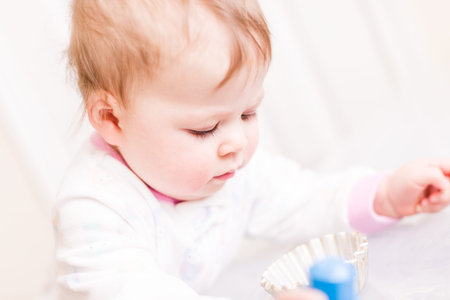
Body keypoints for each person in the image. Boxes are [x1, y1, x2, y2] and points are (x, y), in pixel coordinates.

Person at [54, 0, 450, 299]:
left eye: (247, 113)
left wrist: (384, 196)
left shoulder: (230, 169)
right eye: (204, 128)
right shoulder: (94, 207)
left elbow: (302, 199)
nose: (238, 142)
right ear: (112, 119)